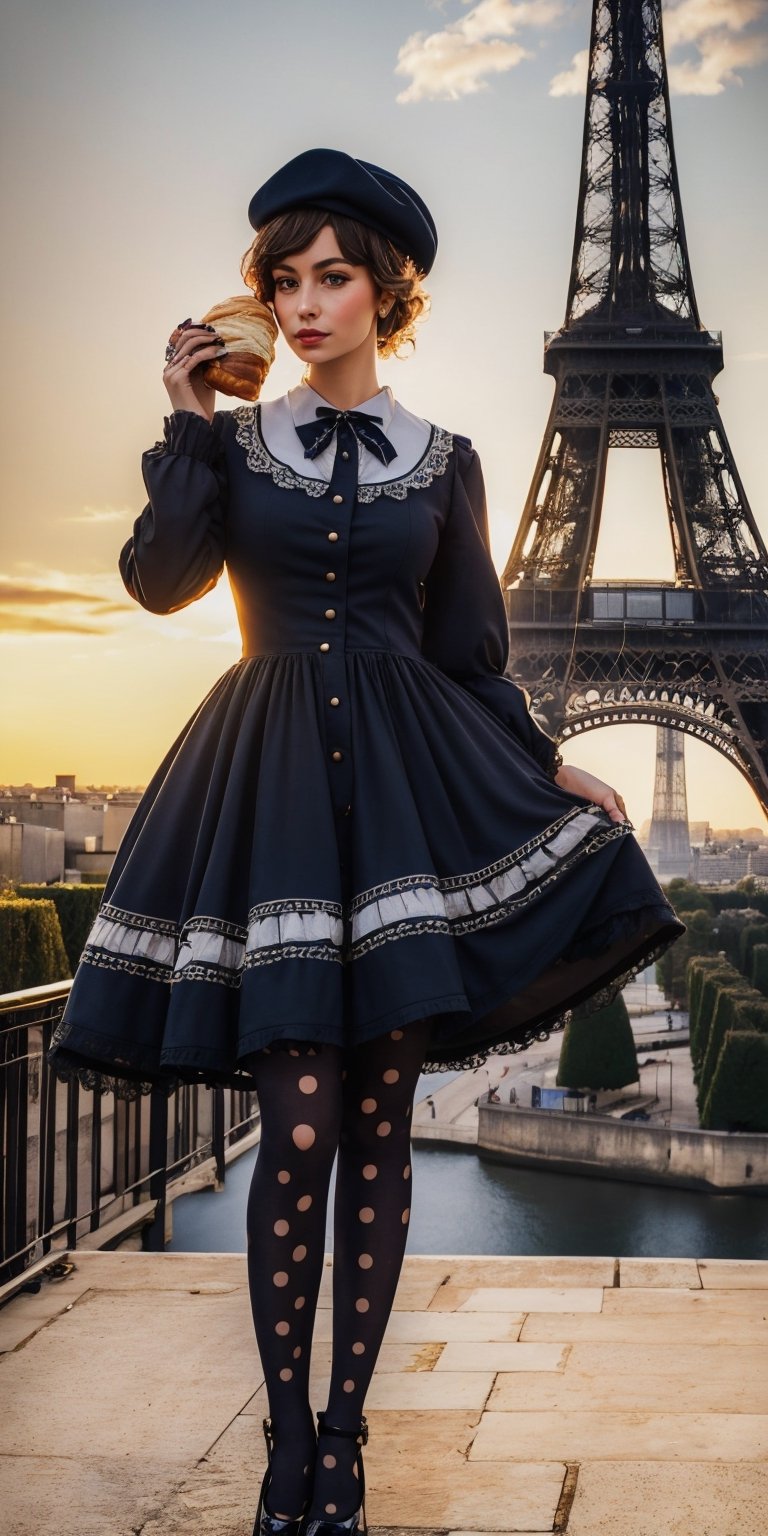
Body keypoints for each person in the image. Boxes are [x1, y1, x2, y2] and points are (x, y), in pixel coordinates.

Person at [47, 148, 685, 1536]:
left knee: (381, 1131)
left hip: (403, 805)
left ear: (389, 292)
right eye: (286, 277)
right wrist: (182, 421)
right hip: (268, 798)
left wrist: (546, 761)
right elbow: (158, 586)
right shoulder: (234, 444)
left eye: (334, 274)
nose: (306, 299)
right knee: (301, 1130)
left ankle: (345, 1436)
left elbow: (467, 654)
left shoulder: (445, 463)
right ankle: (286, 1449)